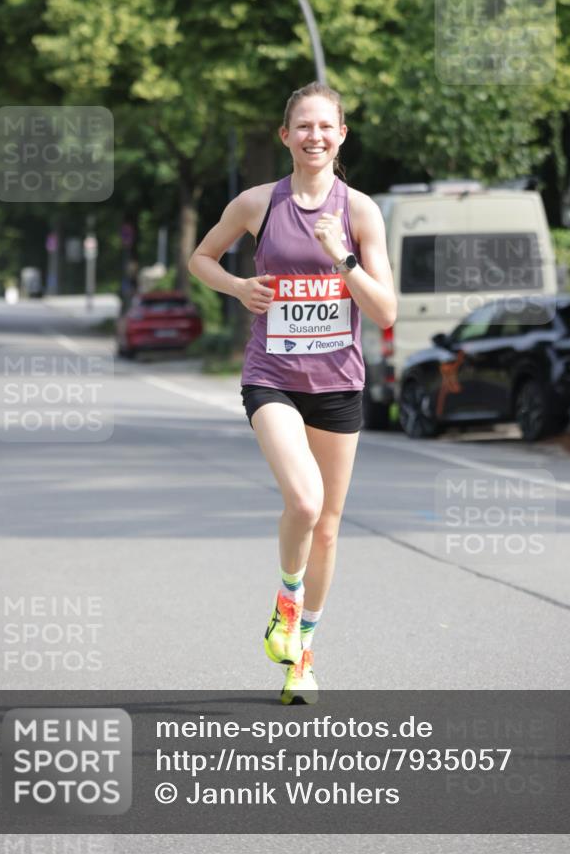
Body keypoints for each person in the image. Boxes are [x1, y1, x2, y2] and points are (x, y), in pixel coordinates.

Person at [188, 82, 396, 703]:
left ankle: (301, 651)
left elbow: (384, 310)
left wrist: (343, 259)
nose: (314, 136)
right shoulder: (257, 203)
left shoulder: (360, 213)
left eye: (325, 127)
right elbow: (202, 258)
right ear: (286, 136)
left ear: (341, 136)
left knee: (328, 528)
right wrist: (236, 287)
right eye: (302, 126)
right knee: (304, 502)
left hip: (338, 383)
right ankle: (286, 603)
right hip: (272, 376)